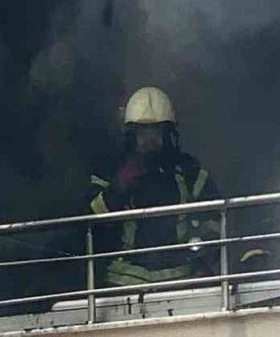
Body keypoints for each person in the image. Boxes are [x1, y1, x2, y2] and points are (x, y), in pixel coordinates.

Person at [88, 86, 221, 287]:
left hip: (181, 279)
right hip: (123, 282)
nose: (149, 140)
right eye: (142, 133)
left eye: (156, 132)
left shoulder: (189, 171)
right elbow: (90, 220)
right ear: (130, 136)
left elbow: (214, 217)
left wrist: (203, 255)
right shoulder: (111, 170)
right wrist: (118, 189)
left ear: (169, 135)